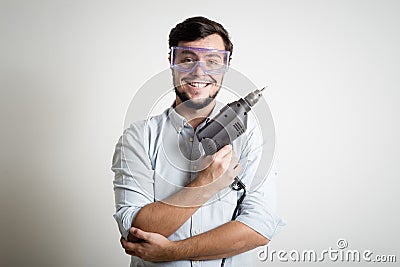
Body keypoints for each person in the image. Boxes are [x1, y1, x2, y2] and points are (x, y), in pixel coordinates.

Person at [112, 16, 284, 266]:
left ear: (225, 66)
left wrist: (171, 251)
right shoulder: (139, 138)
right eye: (188, 59)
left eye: (213, 61)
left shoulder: (249, 136)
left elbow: (259, 227)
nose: (200, 71)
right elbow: (136, 230)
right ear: (172, 61)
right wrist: (206, 184)